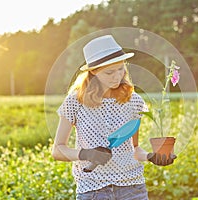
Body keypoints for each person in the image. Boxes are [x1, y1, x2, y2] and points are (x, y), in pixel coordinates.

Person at [52, 35, 177, 200]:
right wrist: (86, 154)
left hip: (132, 189)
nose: (117, 76)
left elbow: (134, 150)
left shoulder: (133, 101)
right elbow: (58, 150)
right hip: (93, 191)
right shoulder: (75, 102)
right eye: (109, 72)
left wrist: (150, 156)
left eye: (121, 69)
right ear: (93, 72)